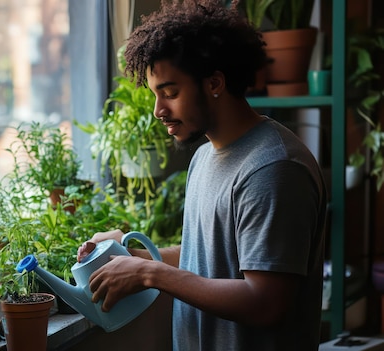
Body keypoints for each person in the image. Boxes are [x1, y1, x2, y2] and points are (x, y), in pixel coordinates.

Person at [76, 1, 328, 350]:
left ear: (214, 83)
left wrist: (151, 274)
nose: (158, 111)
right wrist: (131, 257)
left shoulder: (274, 168)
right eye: (154, 95)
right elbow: (210, 255)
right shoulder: (205, 156)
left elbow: (266, 303)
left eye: (170, 93)